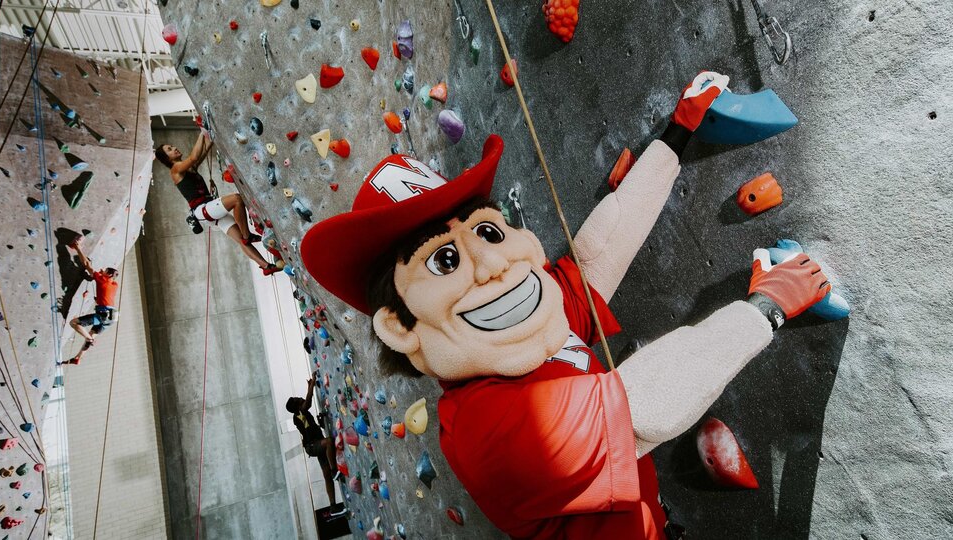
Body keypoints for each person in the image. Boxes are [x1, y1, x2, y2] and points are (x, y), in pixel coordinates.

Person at [299, 71, 835, 539]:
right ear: (401, 325)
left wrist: (679, 131)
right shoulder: (485, 432)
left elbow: (596, 257)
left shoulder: (523, 330)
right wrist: (766, 308)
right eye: (444, 262)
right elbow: (642, 407)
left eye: (486, 231)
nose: (491, 266)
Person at [154, 131, 281, 275]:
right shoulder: (175, 170)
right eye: (169, 149)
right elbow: (194, 156)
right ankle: (248, 236)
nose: (174, 148)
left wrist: (209, 135)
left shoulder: (189, 169)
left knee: (239, 239)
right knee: (237, 199)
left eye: (172, 146)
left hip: (207, 211)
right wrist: (201, 133)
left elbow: (204, 150)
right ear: (167, 158)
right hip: (203, 209)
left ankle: (266, 267)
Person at [285, 379, 346, 517]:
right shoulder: (298, 414)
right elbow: (308, 402)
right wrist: (311, 386)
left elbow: (310, 427)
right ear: (296, 406)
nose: (298, 397)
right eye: (296, 399)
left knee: (325, 476)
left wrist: (320, 422)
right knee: (329, 442)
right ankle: (334, 470)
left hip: (315, 443)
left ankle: (333, 507)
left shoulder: (301, 416)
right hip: (312, 446)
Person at [64, 238, 119, 365]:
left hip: (104, 314)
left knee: (74, 323)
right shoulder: (114, 284)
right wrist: (98, 300)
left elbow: (87, 265)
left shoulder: (102, 279)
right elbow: (106, 295)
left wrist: (77, 248)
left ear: (109, 275)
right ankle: (78, 357)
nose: (101, 271)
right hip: (111, 317)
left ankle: (90, 340)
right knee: (92, 333)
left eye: (104, 271)